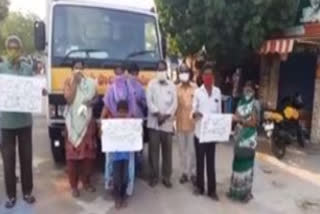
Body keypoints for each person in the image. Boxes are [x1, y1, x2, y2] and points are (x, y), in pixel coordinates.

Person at [0, 35, 37, 208]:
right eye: (10, 48)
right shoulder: (1, 69)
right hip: (6, 122)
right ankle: (11, 195)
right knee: (8, 160)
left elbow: (33, 90)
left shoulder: (28, 69)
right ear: (7, 50)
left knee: (26, 158)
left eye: (16, 48)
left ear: (21, 50)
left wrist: (39, 93)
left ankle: (28, 191)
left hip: (24, 121)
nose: (13, 51)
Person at [63, 60, 97, 198]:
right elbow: (69, 100)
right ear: (72, 70)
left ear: (84, 69)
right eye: (76, 68)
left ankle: (87, 182)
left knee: (88, 157)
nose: (78, 70)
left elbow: (96, 98)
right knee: (73, 158)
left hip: (87, 122)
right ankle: (74, 186)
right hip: (73, 125)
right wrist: (75, 84)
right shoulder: (68, 82)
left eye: (81, 67)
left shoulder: (90, 82)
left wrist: (91, 102)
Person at [101, 65, 136, 196]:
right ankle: (110, 183)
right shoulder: (110, 88)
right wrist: (101, 123)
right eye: (117, 73)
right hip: (113, 127)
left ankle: (128, 186)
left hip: (127, 126)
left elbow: (133, 109)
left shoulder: (129, 88)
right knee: (110, 157)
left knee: (129, 158)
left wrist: (136, 129)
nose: (119, 76)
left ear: (125, 74)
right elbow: (106, 106)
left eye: (121, 73)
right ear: (114, 74)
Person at [192, 63, 221, 201]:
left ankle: (212, 190)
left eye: (210, 75)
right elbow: (193, 110)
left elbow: (219, 113)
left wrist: (220, 131)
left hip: (212, 134)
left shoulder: (217, 92)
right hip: (199, 133)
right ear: (202, 77)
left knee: (211, 162)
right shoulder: (198, 92)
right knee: (200, 161)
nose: (208, 77)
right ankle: (199, 187)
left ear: (213, 77)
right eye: (206, 75)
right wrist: (195, 113)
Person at [147, 60, 177, 188]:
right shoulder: (151, 84)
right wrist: (157, 114)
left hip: (167, 124)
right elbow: (149, 102)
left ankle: (166, 177)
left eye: (163, 69)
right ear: (156, 71)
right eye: (159, 69)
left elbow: (175, 103)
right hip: (154, 123)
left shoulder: (172, 85)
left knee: (167, 152)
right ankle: (153, 176)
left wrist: (165, 116)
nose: (161, 71)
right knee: (153, 152)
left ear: (166, 70)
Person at [227, 81, 258, 203]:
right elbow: (236, 116)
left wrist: (241, 120)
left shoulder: (255, 104)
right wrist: (236, 119)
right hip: (239, 137)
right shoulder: (240, 102)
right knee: (237, 163)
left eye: (250, 89)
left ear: (254, 91)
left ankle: (246, 193)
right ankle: (234, 191)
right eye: (246, 88)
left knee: (247, 165)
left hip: (249, 138)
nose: (248, 91)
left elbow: (254, 122)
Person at [176, 64, 197, 184]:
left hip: (192, 125)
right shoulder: (176, 88)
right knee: (182, 151)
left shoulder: (195, 87)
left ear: (189, 73)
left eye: (186, 71)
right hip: (179, 124)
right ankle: (184, 173)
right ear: (179, 74)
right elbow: (173, 105)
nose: (184, 73)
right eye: (182, 72)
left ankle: (193, 172)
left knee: (192, 151)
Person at [126, 62, 147, 173]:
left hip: (138, 120)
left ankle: (137, 168)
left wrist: (141, 101)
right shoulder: (124, 85)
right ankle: (127, 168)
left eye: (135, 73)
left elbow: (145, 103)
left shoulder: (140, 87)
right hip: (126, 120)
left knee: (138, 144)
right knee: (127, 144)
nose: (133, 75)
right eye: (131, 73)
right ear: (127, 73)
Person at [111, 100, 131, 209]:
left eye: (124, 112)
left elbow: (136, 135)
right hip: (116, 157)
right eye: (120, 112)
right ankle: (117, 197)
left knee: (125, 177)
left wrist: (139, 133)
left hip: (126, 156)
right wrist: (102, 131)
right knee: (117, 178)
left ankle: (123, 196)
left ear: (127, 112)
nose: (122, 114)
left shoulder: (130, 124)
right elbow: (104, 135)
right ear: (116, 112)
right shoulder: (112, 123)